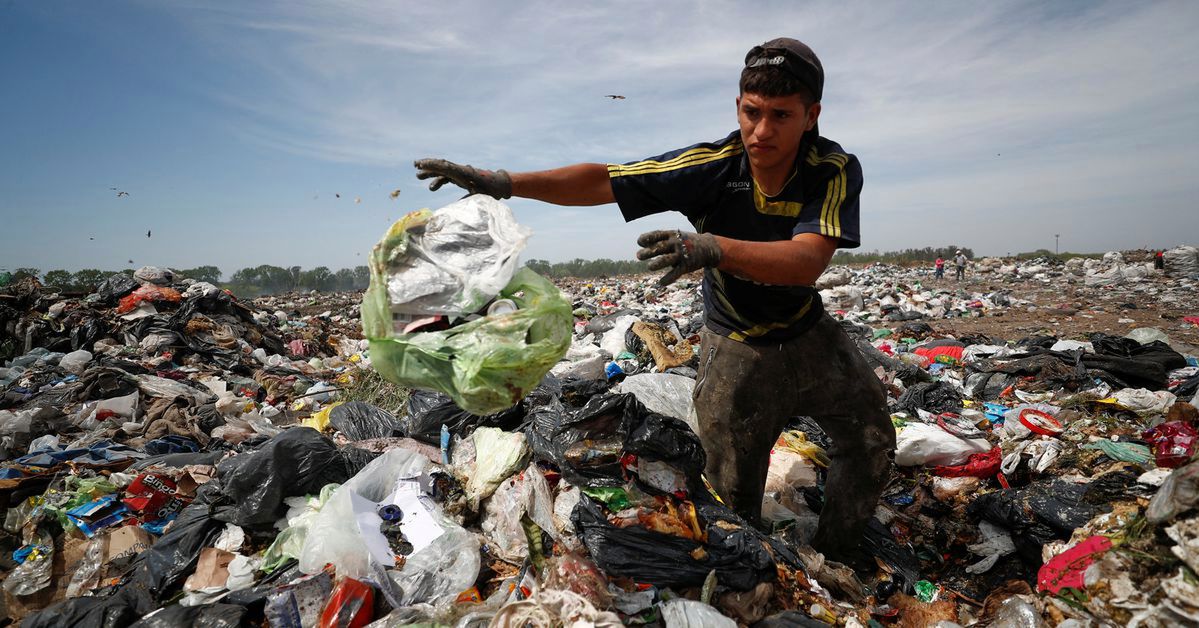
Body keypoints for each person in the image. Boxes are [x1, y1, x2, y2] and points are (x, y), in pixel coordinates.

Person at [414, 37, 894, 566]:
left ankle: (840, 559)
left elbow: (806, 260)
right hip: (738, 344)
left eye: (781, 115)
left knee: (870, 436)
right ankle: (761, 579)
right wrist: (501, 182)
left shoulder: (832, 168)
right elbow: (603, 180)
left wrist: (712, 248)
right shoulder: (712, 166)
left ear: (811, 116)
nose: (761, 131)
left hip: (809, 333)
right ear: (738, 105)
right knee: (732, 501)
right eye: (751, 112)